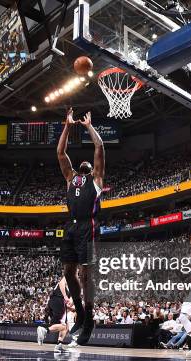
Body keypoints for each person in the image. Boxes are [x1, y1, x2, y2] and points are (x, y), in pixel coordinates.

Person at [57, 108, 104, 346]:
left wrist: (87, 127)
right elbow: (60, 152)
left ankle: (89, 318)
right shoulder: (70, 178)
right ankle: (81, 313)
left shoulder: (96, 179)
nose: (85, 163)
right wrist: (67, 125)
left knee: (86, 276)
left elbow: (99, 148)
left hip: (87, 226)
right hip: (71, 226)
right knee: (68, 273)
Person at [37, 276, 75, 353]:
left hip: (54, 302)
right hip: (58, 300)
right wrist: (65, 296)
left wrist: (72, 305)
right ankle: (44, 330)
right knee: (63, 326)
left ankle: (59, 345)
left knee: (65, 327)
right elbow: (61, 283)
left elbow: (70, 302)